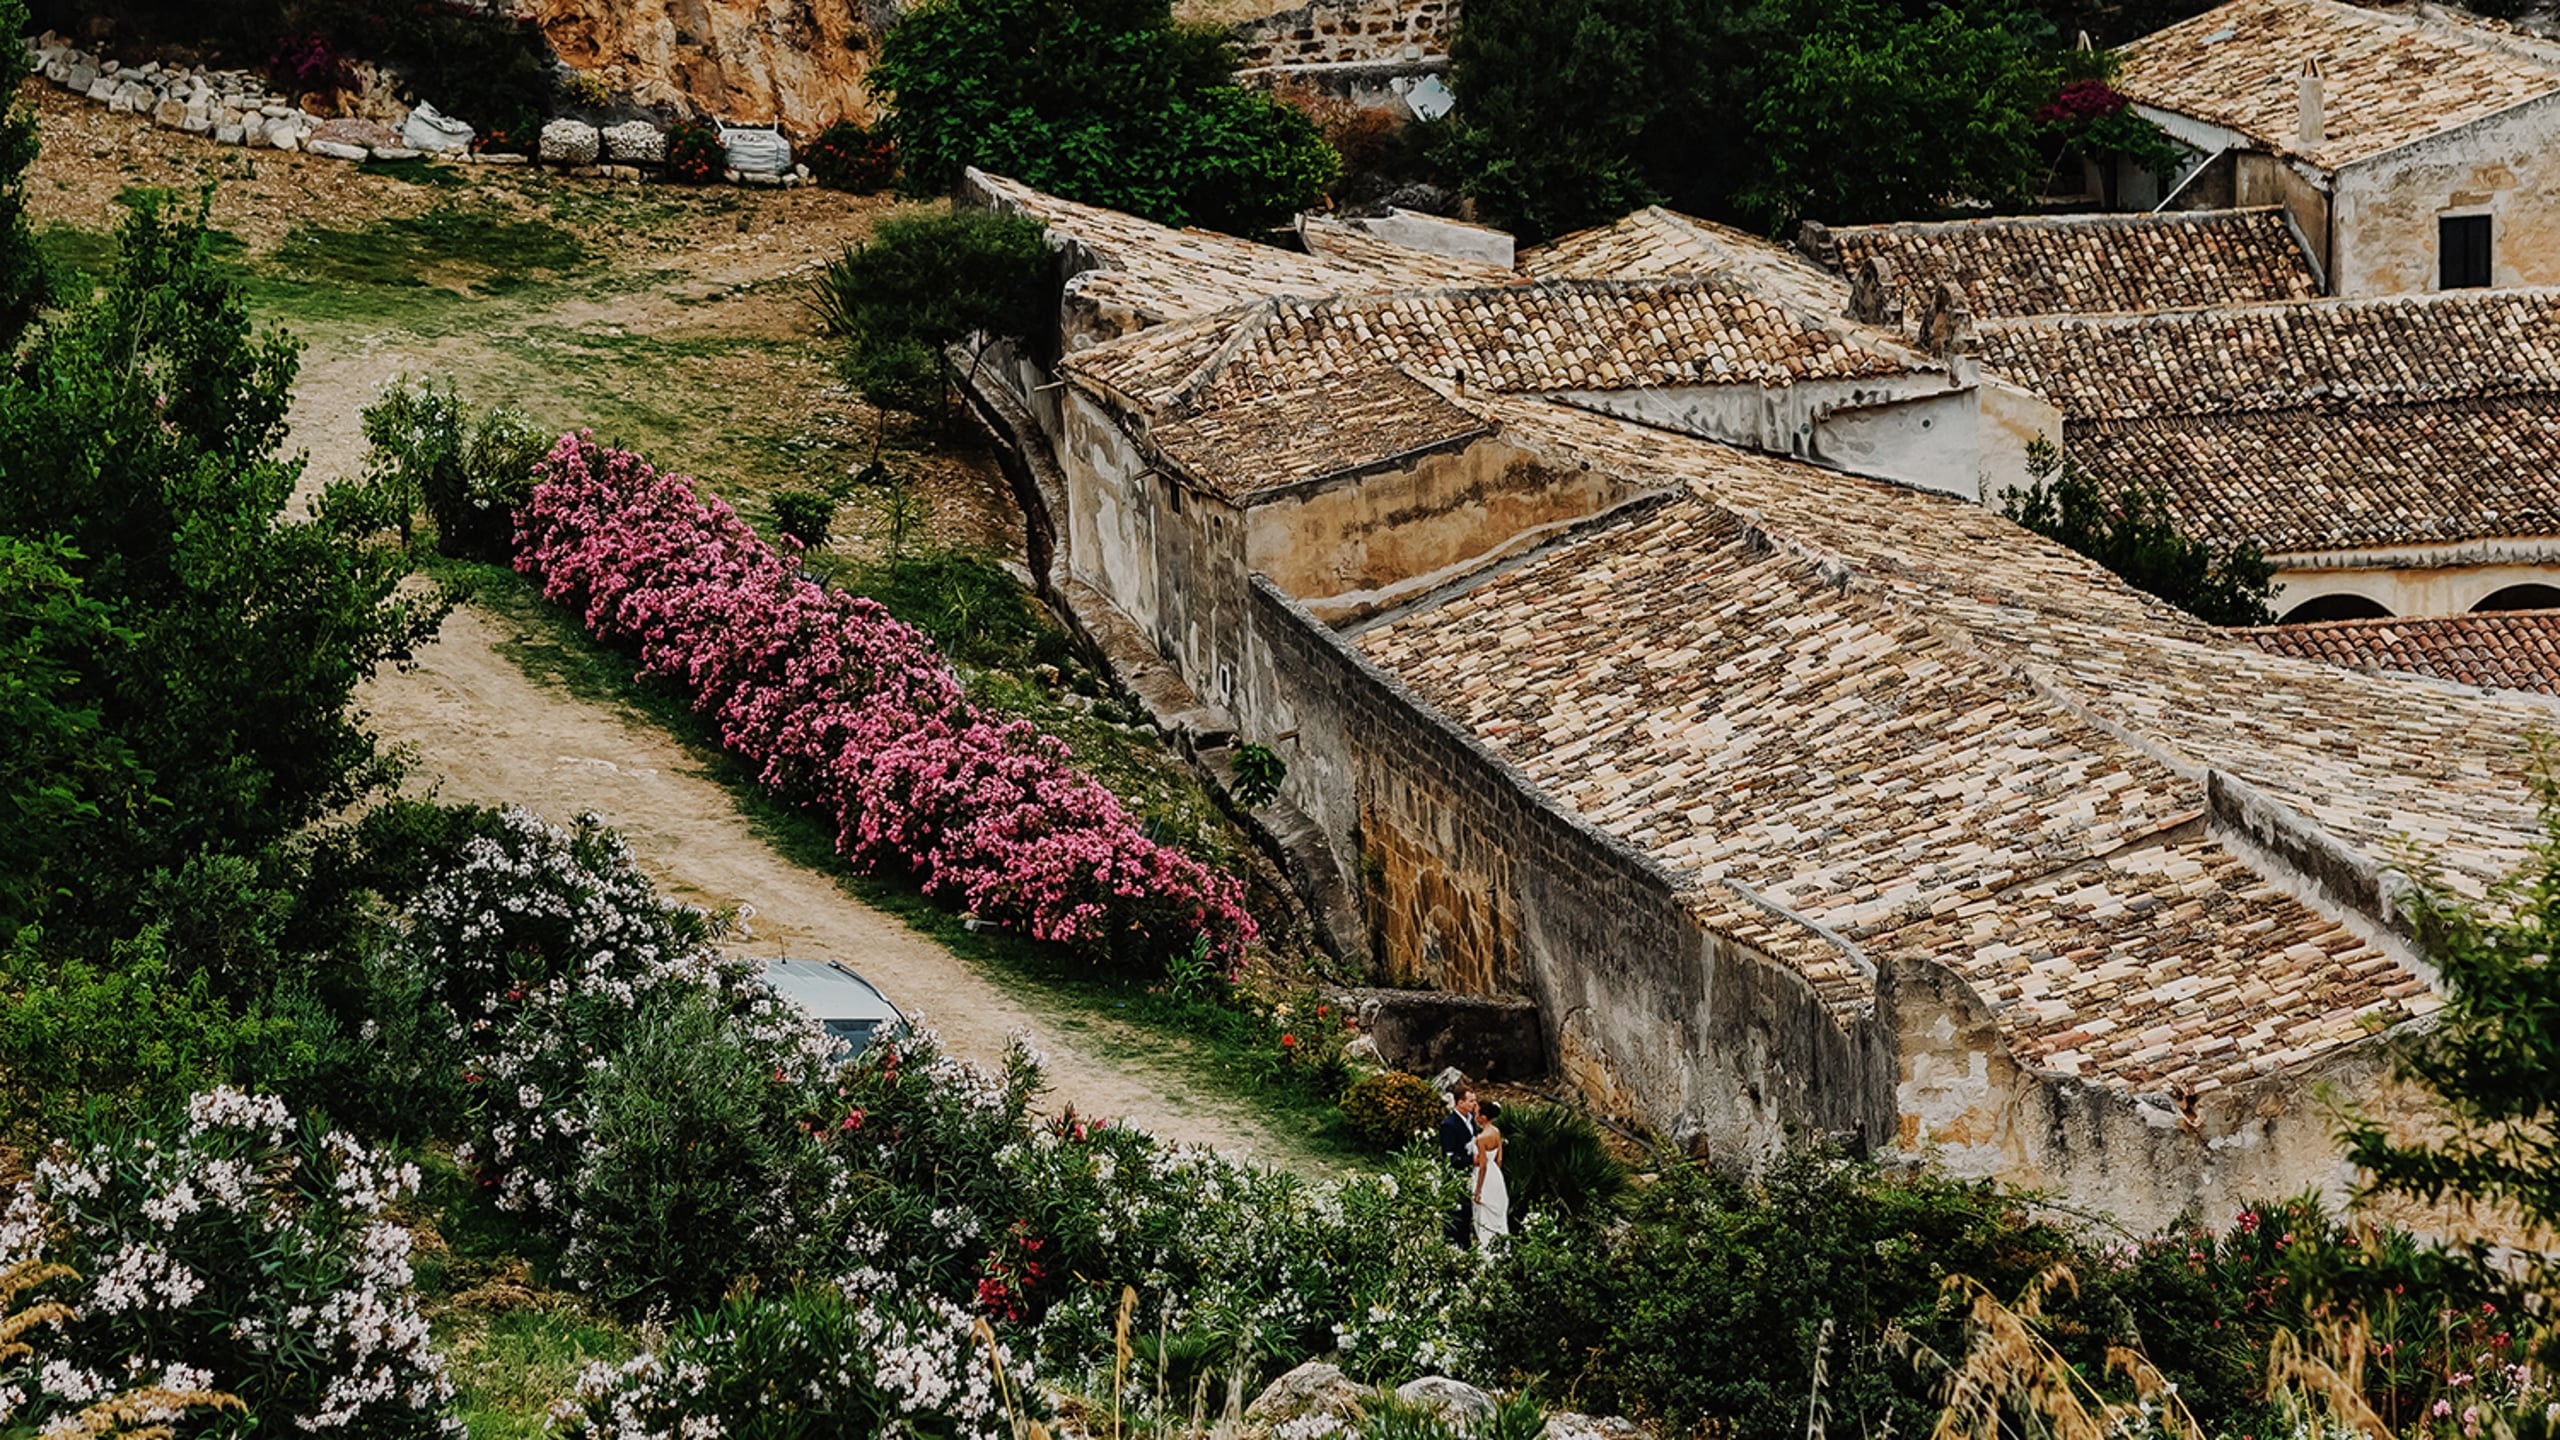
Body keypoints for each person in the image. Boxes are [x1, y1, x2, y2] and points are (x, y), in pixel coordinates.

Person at [1437, 1083, 1479, 1245]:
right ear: (1460, 1103)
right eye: (1471, 1101)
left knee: (1466, 1215)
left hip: (1470, 1175)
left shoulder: (1471, 1120)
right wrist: (1470, 1160)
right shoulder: (1449, 1125)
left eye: (1475, 1101)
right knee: (1455, 1217)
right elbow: (1449, 1155)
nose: (1474, 1104)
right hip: (1455, 1176)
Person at [1471, 1099, 1510, 1250]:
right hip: (1496, 1177)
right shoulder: (1496, 1132)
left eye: (1476, 1113)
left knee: (1485, 1218)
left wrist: (1478, 1190)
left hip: (1485, 1178)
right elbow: (1499, 1159)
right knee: (1498, 1218)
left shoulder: (1481, 1139)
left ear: (1483, 1117)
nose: (1475, 1116)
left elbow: (1483, 1166)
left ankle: (1488, 1252)